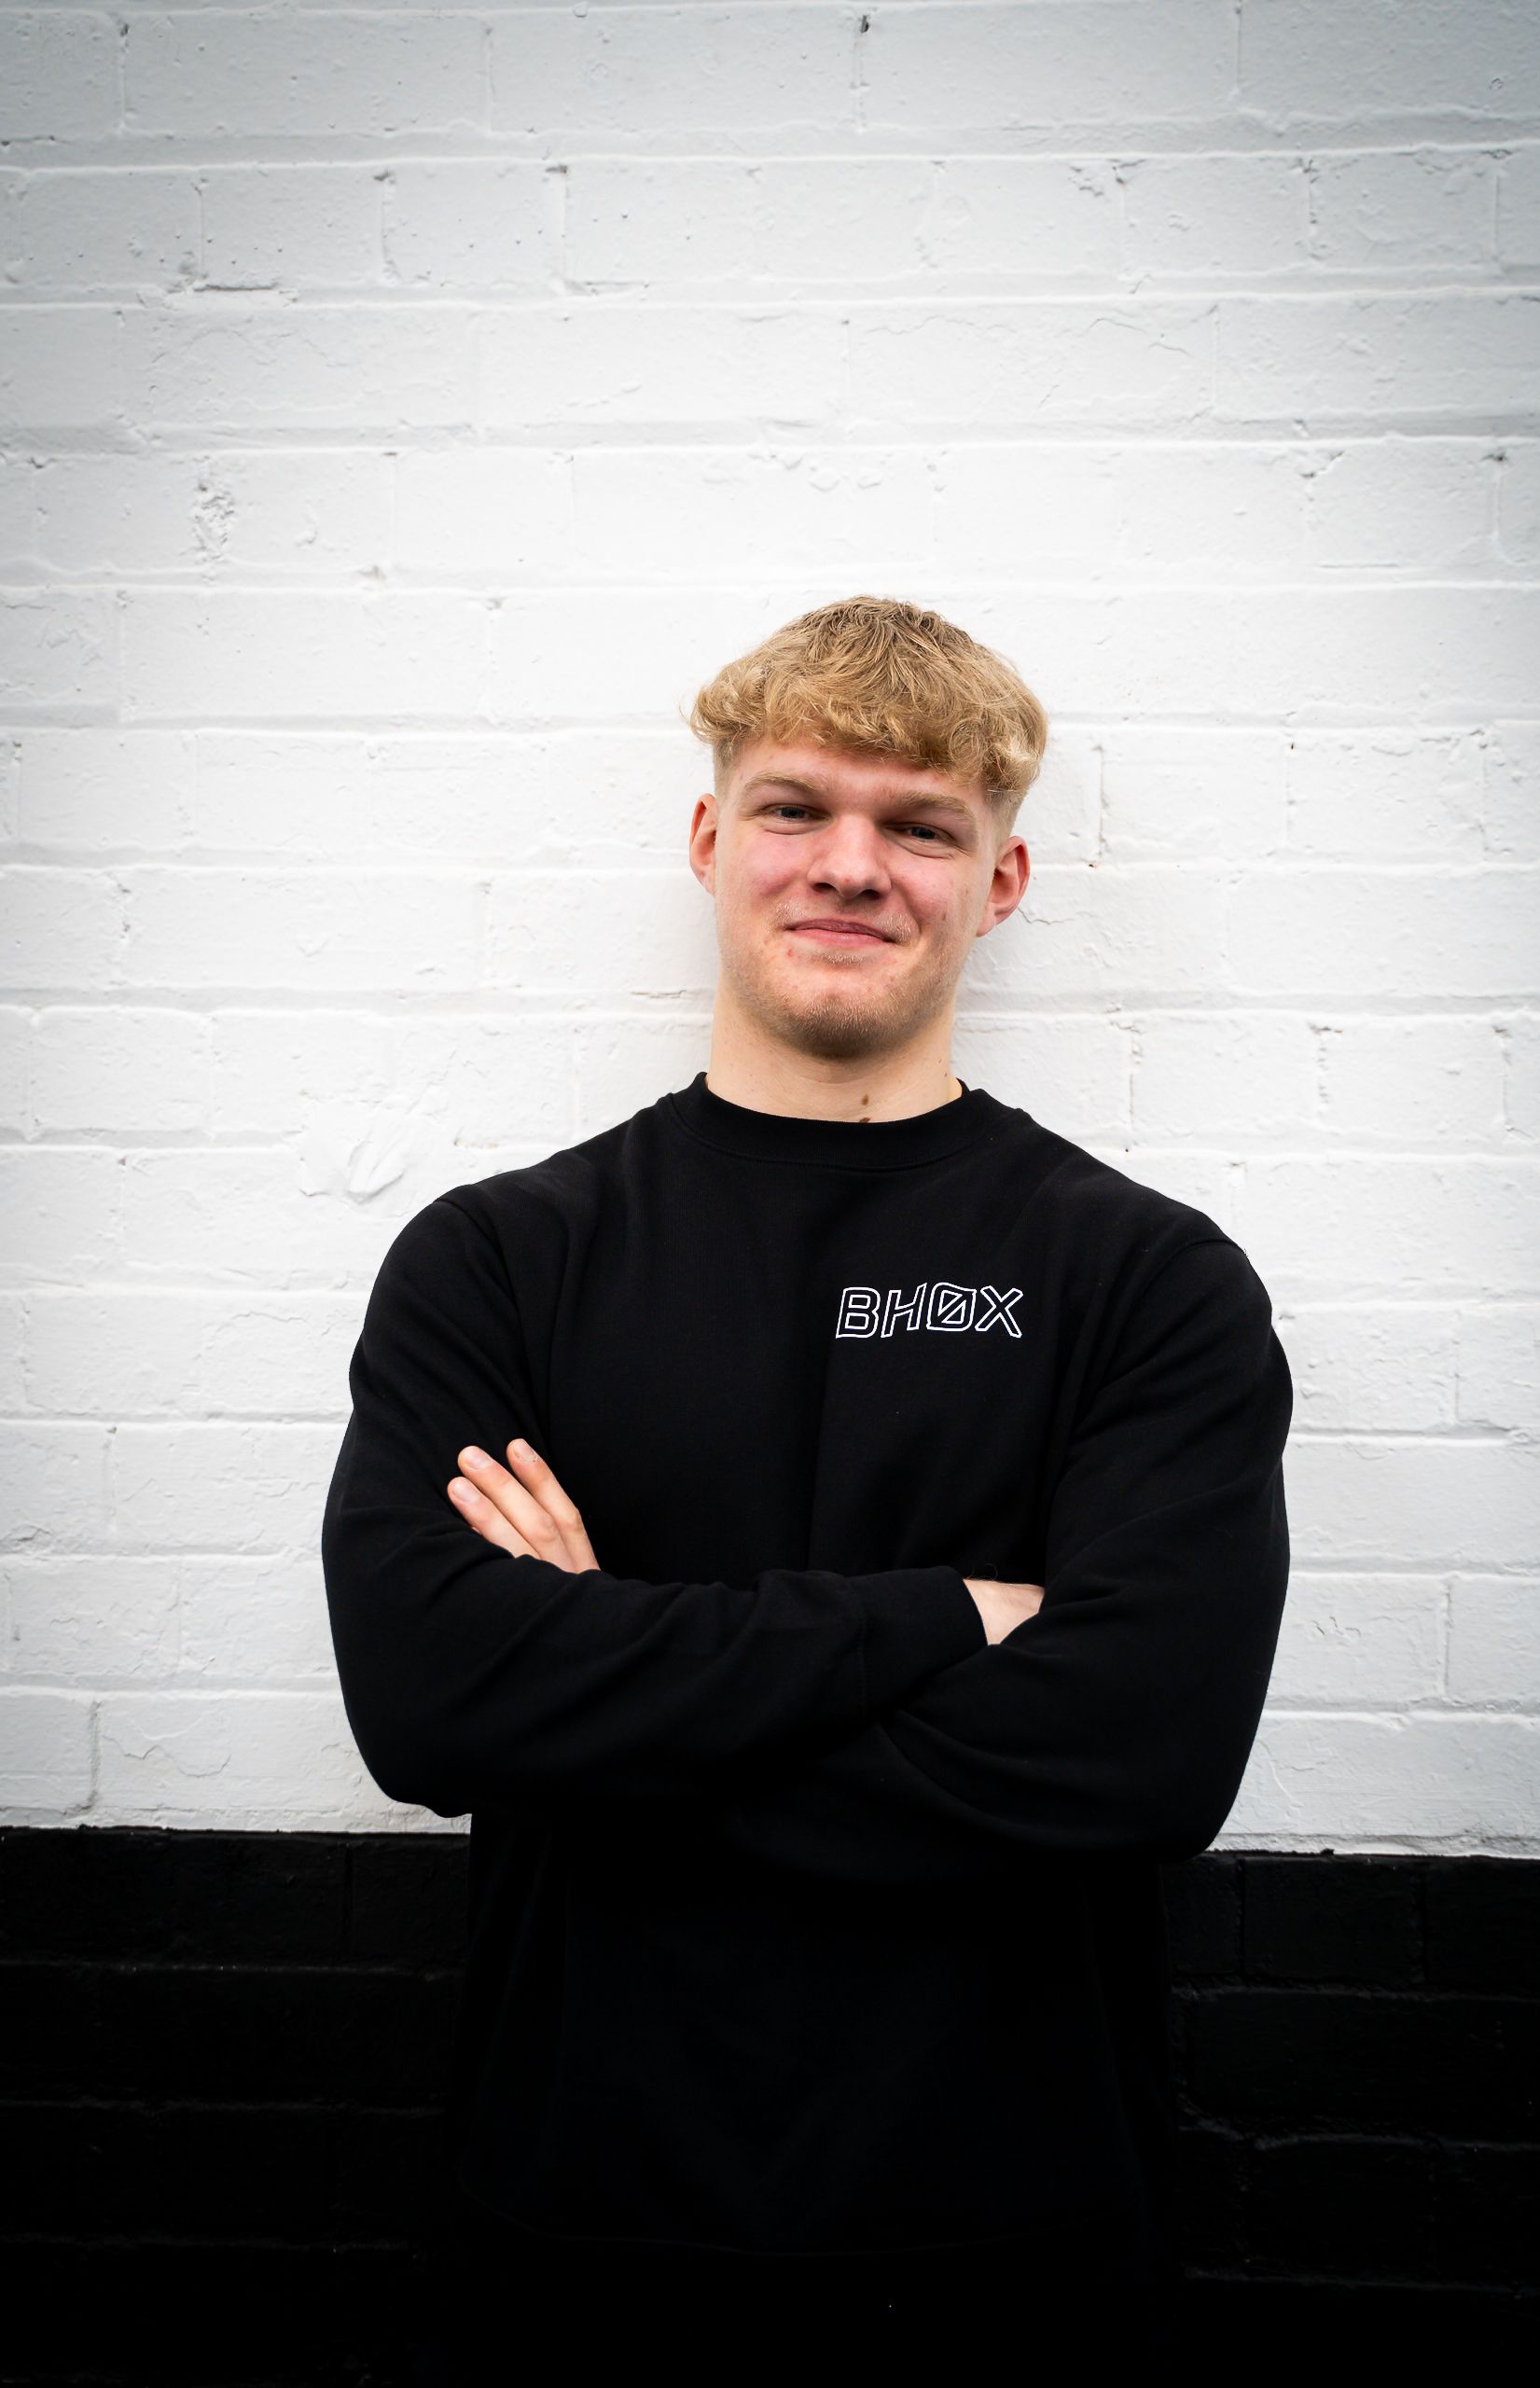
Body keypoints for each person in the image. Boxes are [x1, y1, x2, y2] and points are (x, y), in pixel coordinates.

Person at [322, 594, 1293, 2377]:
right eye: (795, 809)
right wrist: (944, 1617)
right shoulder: (499, 1264)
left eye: (920, 825)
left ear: (998, 883)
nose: (852, 866)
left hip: (1018, 2238)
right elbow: (431, 1702)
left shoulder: (1142, 1281)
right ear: (710, 841)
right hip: (573, 2218)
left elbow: (1149, 1748)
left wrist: (605, 1667)